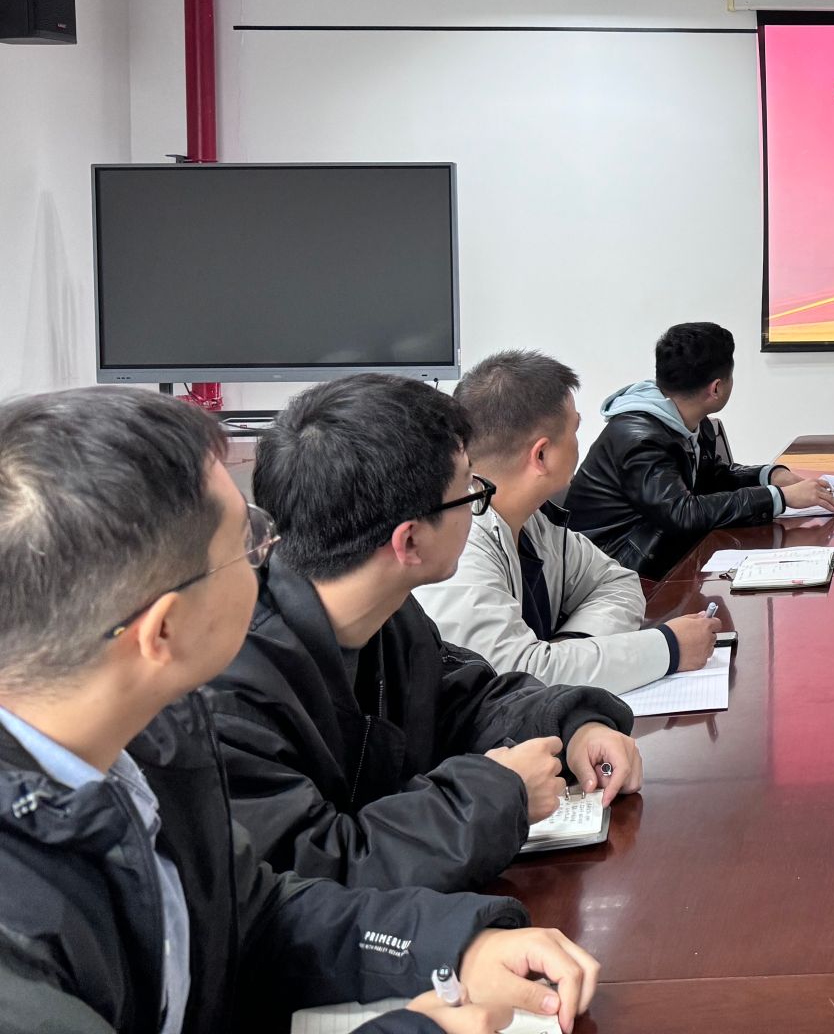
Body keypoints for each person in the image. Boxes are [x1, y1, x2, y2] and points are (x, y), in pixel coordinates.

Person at [0, 387, 601, 1034]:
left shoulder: (154, 740)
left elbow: (257, 916)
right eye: (247, 543)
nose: (273, 555)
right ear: (163, 630)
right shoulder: (18, 927)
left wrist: (454, 947)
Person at [206, 373, 644, 895]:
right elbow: (318, 869)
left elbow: (467, 699)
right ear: (409, 541)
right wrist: (498, 795)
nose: (478, 502)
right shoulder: (232, 691)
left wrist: (574, 725)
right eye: (468, 492)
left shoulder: (386, 613)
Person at [417, 350, 720, 694]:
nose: (579, 443)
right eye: (575, 430)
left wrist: (573, 647)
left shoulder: (534, 521)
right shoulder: (459, 547)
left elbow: (618, 583)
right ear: (542, 455)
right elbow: (513, 679)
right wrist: (669, 648)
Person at [565, 322, 834, 577]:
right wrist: (778, 497)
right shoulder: (640, 439)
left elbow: (710, 478)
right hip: (615, 571)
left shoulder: (688, 419)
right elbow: (682, 513)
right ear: (716, 388)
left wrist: (769, 476)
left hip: (659, 551)